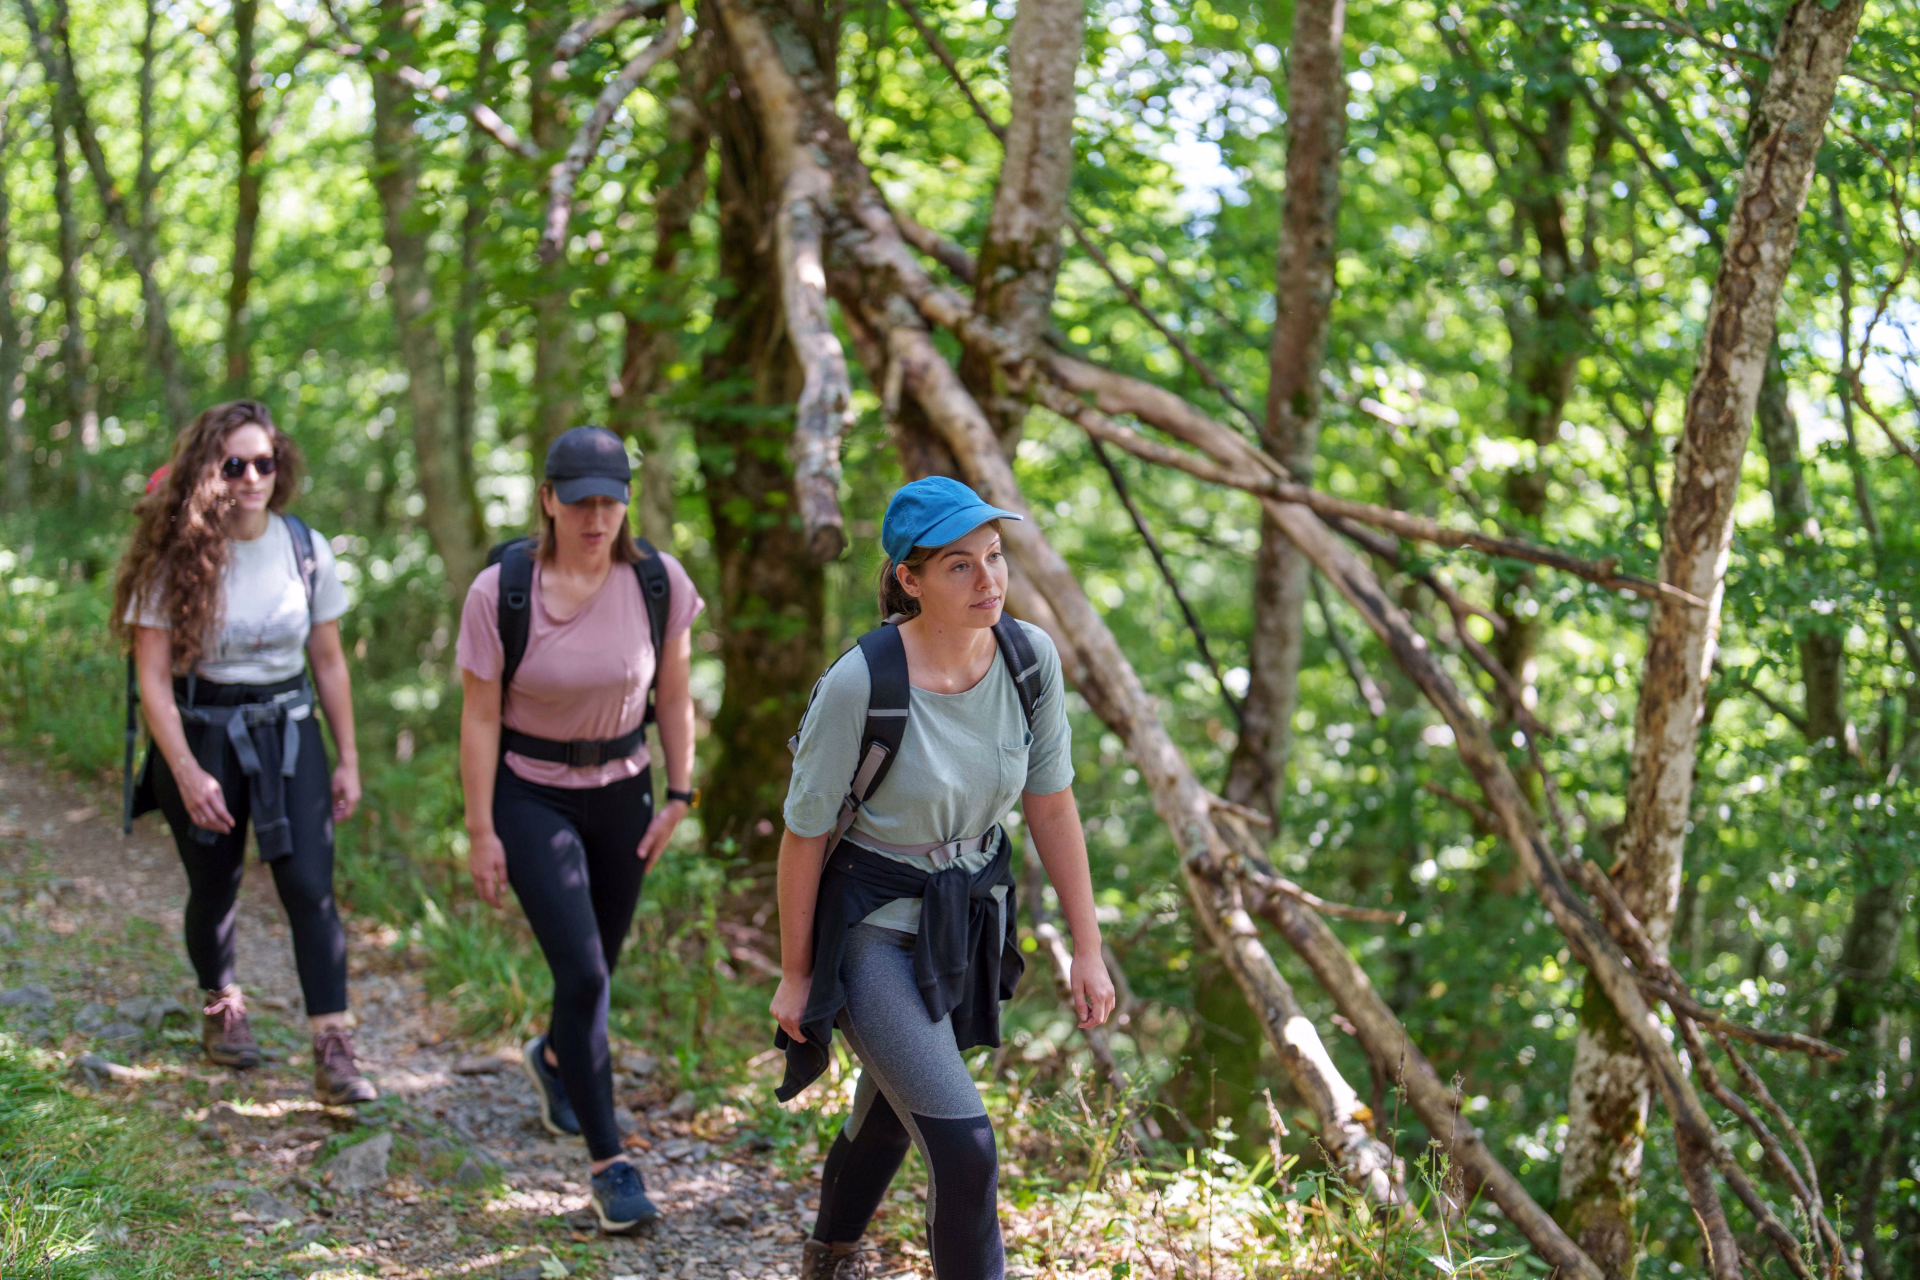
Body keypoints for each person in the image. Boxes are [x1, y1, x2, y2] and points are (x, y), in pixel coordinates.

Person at [771, 476, 1116, 1280]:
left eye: (995, 557)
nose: (988, 580)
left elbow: (1053, 808)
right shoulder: (862, 683)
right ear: (908, 579)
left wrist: (1089, 949)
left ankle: (828, 1256)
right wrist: (795, 976)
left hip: (962, 920)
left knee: (894, 1114)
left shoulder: (1030, 660)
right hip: (868, 930)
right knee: (965, 1148)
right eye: (959, 566)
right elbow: (803, 836)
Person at [456, 425, 701, 1234]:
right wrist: (481, 828)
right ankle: (609, 1165)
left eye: (612, 500)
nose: (598, 517)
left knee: (595, 967)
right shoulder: (502, 592)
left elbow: (673, 693)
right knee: (588, 974)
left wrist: (681, 794)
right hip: (531, 796)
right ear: (548, 501)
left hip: (625, 793)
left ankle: (556, 1058)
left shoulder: (658, 581)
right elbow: (481, 715)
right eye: (582, 501)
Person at [114, 400, 375, 1106]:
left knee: (310, 889)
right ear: (209, 471)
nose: (254, 476)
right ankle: (220, 1000)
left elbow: (329, 661)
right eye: (236, 464)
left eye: (265, 461)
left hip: (291, 733)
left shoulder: (303, 546)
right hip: (201, 733)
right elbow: (152, 683)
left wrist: (347, 756)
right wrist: (186, 769)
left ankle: (332, 1044)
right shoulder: (176, 557)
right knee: (215, 885)